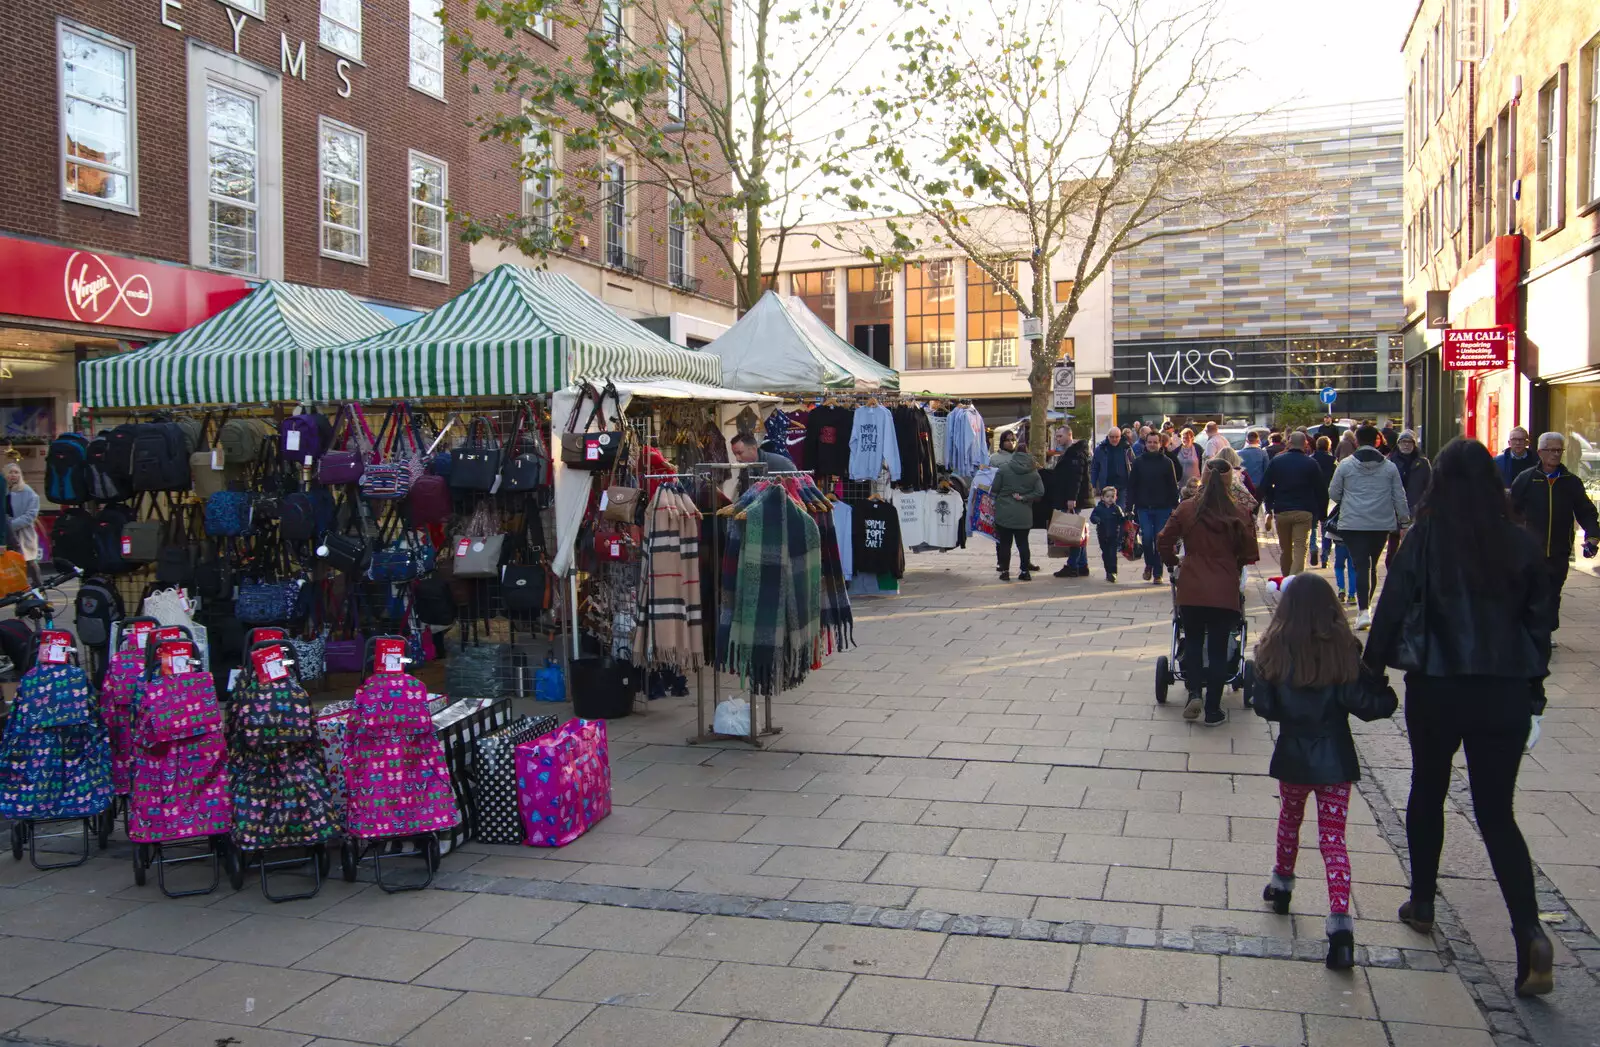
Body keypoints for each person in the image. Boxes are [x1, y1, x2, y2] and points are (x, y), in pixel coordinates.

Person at [1365, 438, 1556, 997]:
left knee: (1427, 787)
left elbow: (1392, 606)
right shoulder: (1519, 545)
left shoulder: (1425, 539)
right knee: (1498, 814)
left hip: (1439, 686)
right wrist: (1534, 689)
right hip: (1503, 693)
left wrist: (1372, 670)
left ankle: (1423, 900)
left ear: (1439, 482)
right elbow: (1539, 625)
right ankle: (1529, 932)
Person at [1253, 572, 1398, 970]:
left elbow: (1265, 706)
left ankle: (1281, 885)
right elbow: (1366, 704)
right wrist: (1385, 693)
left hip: (1294, 759)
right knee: (1334, 841)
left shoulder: (1274, 649)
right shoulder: (1343, 651)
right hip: (1335, 761)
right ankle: (1340, 927)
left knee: (1290, 820)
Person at [1158, 459, 1260, 725]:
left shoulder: (1187, 508)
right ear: (1230, 481)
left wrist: (1173, 561)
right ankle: (1214, 708)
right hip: (1224, 589)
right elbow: (1251, 552)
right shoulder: (1239, 512)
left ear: (1202, 477)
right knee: (1216, 649)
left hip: (1191, 586)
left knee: (1191, 641)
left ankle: (1194, 692)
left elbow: (1163, 539)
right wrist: (1235, 562)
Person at [1508, 432, 1600, 633]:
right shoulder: (1527, 479)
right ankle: (1531, 629)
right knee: (1531, 592)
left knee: (1552, 593)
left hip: (1559, 550)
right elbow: (1510, 511)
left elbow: (1586, 512)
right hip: (1531, 551)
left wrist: (1592, 536)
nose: (1556, 455)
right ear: (1540, 452)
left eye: (1559, 450)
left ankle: (1546, 630)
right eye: (1551, 450)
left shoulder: (1571, 482)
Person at [1327, 425, 1409, 630]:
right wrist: (1405, 521)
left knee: (1360, 564)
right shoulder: (1389, 467)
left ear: (1356, 441)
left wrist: (1350, 500)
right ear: (1378, 441)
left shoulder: (1345, 465)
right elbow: (1399, 496)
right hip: (1380, 523)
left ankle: (1364, 611)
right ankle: (1367, 608)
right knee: (1372, 564)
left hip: (1353, 523)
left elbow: (1334, 493)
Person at [1261, 432, 1325, 577]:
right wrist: (1322, 514)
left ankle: (1286, 580)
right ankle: (1295, 582)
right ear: (1305, 444)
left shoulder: (1277, 461)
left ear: (1289, 443)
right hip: (1304, 511)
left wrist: (1268, 505)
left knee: (1285, 550)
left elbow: (1265, 485)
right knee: (1300, 549)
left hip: (1282, 510)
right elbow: (1320, 489)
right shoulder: (1311, 463)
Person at [1126, 431, 1180, 584]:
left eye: (1155, 442)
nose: (1152, 445)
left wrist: (1175, 507)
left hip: (1162, 508)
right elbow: (1132, 486)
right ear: (1146, 443)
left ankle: (1157, 572)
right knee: (1147, 538)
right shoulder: (1138, 462)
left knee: (1159, 539)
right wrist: (1129, 507)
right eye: (1149, 442)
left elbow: (1172, 486)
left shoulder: (1166, 462)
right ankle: (1149, 564)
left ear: (1160, 444)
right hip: (1143, 507)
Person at [1042, 426, 1092, 579]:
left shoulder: (1074, 454)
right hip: (1069, 497)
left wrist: (1072, 499)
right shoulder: (1072, 452)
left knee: (1073, 533)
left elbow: (1075, 478)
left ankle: (1072, 566)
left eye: (1059, 436)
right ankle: (1082, 565)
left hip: (1071, 499)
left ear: (1069, 435)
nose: (1057, 439)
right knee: (1077, 531)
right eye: (1056, 436)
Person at [991, 446, 1044, 581]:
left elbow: (995, 488)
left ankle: (1005, 571)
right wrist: (1024, 497)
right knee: (1023, 543)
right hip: (1024, 513)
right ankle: (1025, 571)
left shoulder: (1003, 469)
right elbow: (1040, 492)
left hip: (1004, 512)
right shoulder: (1033, 471)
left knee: (1004, 544)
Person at [1384, 430, 1432, 566]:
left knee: (1414, 545)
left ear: (1414, 444)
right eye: (1403, 442)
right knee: (1392, 547)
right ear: (1398, 444)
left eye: (1409, 442)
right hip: (1394, 510)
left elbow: (1429, 486)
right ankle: (1392, 573)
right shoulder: (1390, 462)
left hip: (1415, 509)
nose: (1406, 445)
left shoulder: (1422, 463)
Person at [5, 464, 41, 587]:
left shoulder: (27, 491)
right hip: (5, 535)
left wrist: (10, 525)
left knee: (29, 562)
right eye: (10, 472)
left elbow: (31, 515)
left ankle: (38, 590)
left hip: (22, 533)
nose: (13, 475)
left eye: (16, 472)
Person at [1312, 435, 1338, 572]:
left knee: (1313, 525)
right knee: (1326, 528)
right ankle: (1325, 556)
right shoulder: (1333, 461)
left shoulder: (1311, 460)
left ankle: (1313, 547)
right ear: (1329, 446)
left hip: (1313, 496)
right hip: (1329, 498)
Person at [1089, 486, 1126, 582]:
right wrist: (1096, 519)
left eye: (1112, 496)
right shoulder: (1099, 508)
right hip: (1102, 535)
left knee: (1113, 554)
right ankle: (1108, 570)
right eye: (1107, 496)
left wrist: (1126, 518)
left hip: (1114, 535)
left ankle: (1113, 572)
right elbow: (1092, 517)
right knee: (1106, 554)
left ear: (1116, 498)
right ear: (1102, 497)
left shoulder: (1117, 508)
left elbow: (1122, 520)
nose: (1110, 499)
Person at [1090, 427, 1131, 495]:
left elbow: (1133, 466)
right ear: (1108, 437)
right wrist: (1093, 485)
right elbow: (1094, 468)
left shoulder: (1126, 448)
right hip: (1106, 487)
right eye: (1112, 437)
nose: (1114, 439)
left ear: (1120, 437)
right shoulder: (1101, 449)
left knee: (1121, 505)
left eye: (1117, 437)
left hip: (1123, 487)